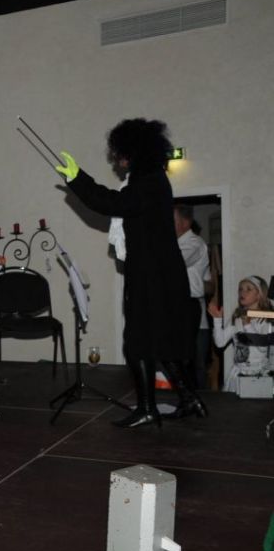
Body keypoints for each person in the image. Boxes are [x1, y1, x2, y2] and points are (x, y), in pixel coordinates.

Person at [56, 118, 196, 428]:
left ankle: (147, 409)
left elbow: (113, 203)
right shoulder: (153, 179)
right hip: (158, 272)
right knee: (161, 340)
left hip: (151, 275)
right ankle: (190, 399)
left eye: (120, 153)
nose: (117, 160)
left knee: (137, 343)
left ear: (134, 152)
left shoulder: (148, 181)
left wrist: (78, 179)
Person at [208, 276, 274, 392]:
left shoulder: (266, 318)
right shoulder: (237, 317)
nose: (242, 292)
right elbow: (220, 342)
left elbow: (262, 348)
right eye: (240, 289)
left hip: (259, 375)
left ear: (259, 295)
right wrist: (217, 320)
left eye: (248, 289)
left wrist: (248, 325)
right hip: (238, 374)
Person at [173, 204, 212, 394]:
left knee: (195, 365)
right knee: (177, 361)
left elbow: (174, 263)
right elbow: (207, 282)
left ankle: (199, 401)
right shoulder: (174, 244)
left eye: (171, 220)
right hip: (178, 309)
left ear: (185, 222)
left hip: (191, 311)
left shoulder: (194, 243)